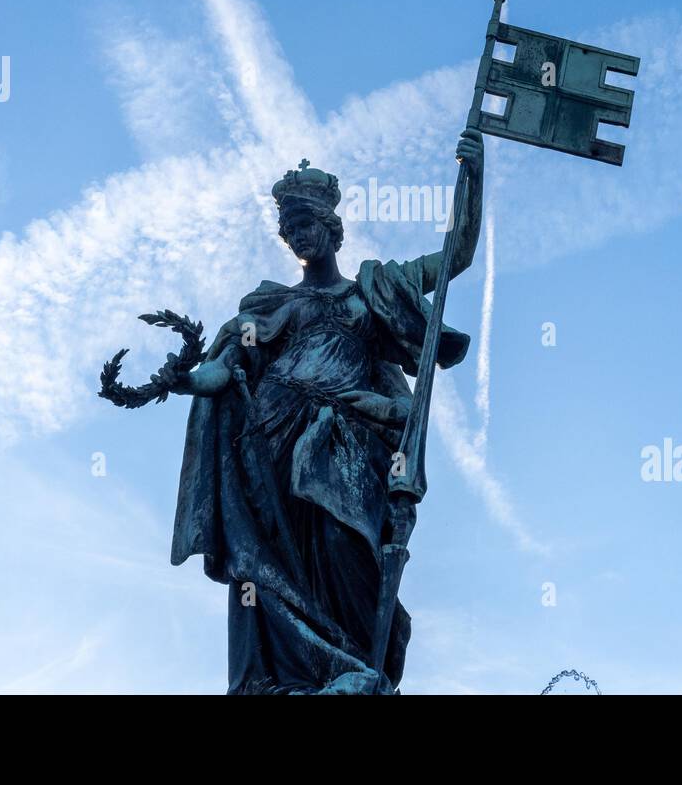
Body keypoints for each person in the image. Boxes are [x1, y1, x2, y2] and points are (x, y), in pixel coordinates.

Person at [163, 129, 483, 694]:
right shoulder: (273, 305)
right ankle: (296, 677)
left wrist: (473, 177)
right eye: (288, 231)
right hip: (272, 442)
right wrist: (186, 379)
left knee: (346, 545)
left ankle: (355, 665)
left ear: (330, 227)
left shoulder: (372, 292)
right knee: (268, 572)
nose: (295, 238)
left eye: (304, 226)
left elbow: (456, 254)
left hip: (347, 441)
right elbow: (226, 365)